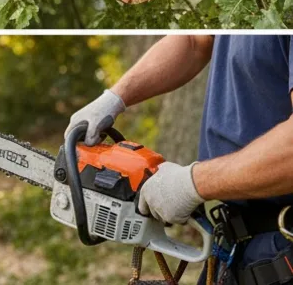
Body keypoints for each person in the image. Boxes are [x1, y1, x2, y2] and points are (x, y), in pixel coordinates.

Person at [68, 35, 293, 285]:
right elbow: (194, 42)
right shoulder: (235, 0)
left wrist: (191, 184)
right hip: (237, 243)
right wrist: (115, 98)